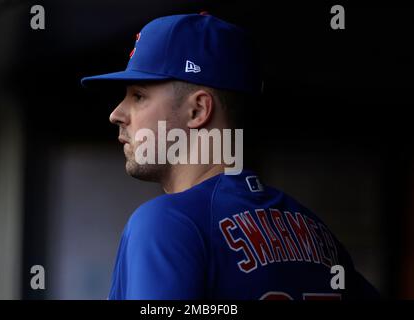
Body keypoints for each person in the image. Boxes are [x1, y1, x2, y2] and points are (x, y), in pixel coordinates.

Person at [81, 13, 379, 300]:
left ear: (197, 110)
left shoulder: (165, 224)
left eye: (138, 95)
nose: (116, 114)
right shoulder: (316, 233)